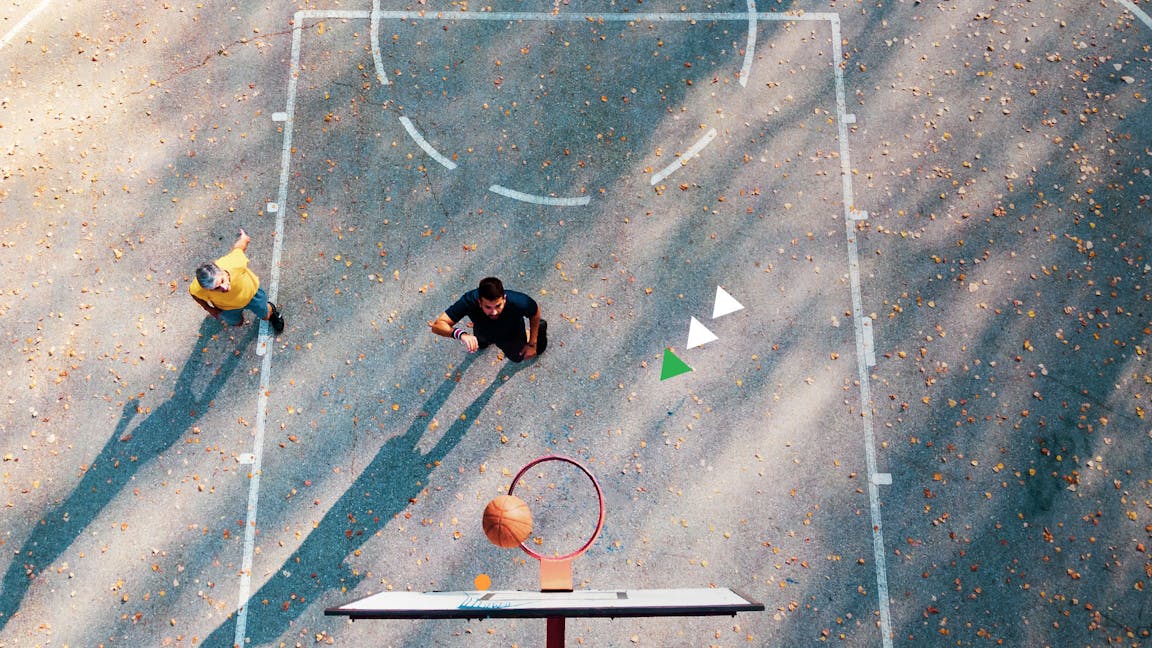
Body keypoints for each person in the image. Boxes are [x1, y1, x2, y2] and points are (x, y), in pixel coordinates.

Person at [189, 228, 285, 334]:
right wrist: (209, 308)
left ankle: (272, 310)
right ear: (206, 289)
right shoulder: (198, 288)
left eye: (222, 281)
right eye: (216, 288)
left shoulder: (234, 263)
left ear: (221, 271)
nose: (224, 288)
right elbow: (194, 294)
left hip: (252, 295)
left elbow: (239, 248)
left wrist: (244, 238)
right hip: (228, 308)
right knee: (237, 323)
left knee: (266, 316)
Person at [429, 277, 547, 362]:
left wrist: (532, 344)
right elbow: (437, 326)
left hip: (510, 335)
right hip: (482, 330)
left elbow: (534, 313)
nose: (494, 312)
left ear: (504, 299)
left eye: (498, 306)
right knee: (481, 343)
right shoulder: (469, 301)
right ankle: (484, 342)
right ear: (479, 302)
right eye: (488, 307)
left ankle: (540, 334)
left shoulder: (519, 301)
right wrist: (461, 335)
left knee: (517, 357)